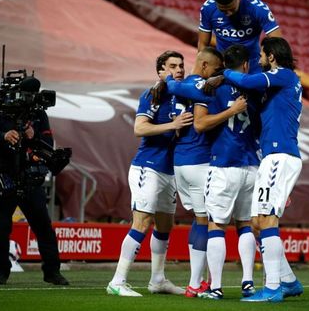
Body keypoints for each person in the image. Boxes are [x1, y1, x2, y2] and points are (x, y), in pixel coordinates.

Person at [213, 37, 304, 302]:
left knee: (267, 220)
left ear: (272, 56)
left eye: (262, 55)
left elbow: (246, 81)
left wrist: (223, 73)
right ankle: (288, 281)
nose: (259, 59)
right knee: (256, 223)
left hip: (280, 156)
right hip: (272, 158)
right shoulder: (280, 83)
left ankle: (273, 288)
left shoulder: (285, 76)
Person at [106, 51, 191, 297]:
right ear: (160, 71)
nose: (178, 69)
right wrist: (172, 125)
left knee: (165, 224)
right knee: (142, 222)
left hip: (169, 171)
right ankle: (117, 281)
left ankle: (157, 280)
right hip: (148, 167)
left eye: (181, 65)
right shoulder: (153, 95)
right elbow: (139, 128)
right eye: (172, 66)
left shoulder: (184, 95)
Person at [0, 77, 69, 286]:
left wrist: (33, 134)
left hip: (29, 178)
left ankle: (52, 272)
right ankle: (0, 272)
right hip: (2, 176)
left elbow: (47, 144)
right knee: (0, 229)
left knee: (43, 227)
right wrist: (3, 136)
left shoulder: (38, 113)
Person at [194, 45, 259, 300]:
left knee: (216, 226)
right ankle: (248, 283)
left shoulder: (211, 87)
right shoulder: (255, 89)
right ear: (245, 66)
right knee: (244, 225)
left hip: (224, 165)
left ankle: (216, 287)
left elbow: (199, 124)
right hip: (251, 165)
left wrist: (229, 110)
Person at [163, 47, 223, 297]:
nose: (218, 74)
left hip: (180, 163)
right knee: (209, 222)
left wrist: (165, 79)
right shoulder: (202, 86)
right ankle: (196, 283)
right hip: (199, 161)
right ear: (206, 66)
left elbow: (173, 88)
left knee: (200, 220)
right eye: (216, 69)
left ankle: (200, 281)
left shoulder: (181, 84)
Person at [198, 0, 282, 74]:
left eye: (232, 9)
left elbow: (278, 42)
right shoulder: (208, 8)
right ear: (216, 3)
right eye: (223, 11)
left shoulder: (257, 8)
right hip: (223, 64)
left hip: (252, 64)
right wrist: (201, 71)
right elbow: (203, 44)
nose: (229, 13)